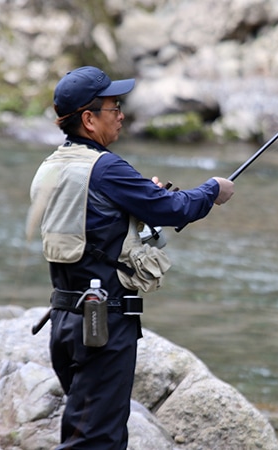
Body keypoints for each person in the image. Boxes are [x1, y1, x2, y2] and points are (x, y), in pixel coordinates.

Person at [27, 66, 234, 449]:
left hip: (65, 322)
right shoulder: (105, 168)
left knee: (84, 429)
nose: (121, 114)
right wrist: (212, 189)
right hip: (102, 323)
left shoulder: (51, 167)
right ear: (88, 119)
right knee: (97, 440)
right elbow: (172, 209)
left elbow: (95, 224)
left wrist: (139, 205)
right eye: (113, 107)